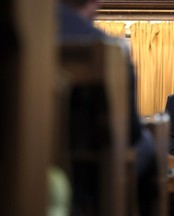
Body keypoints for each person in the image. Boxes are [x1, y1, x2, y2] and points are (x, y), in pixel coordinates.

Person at [57, 1, 156, 215]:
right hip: (81, 179)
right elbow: (130, 134)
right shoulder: (108, 48)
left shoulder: (23, 27)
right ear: (94, 4)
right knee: (147, 145)